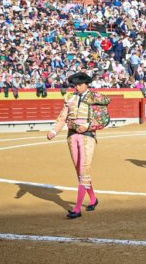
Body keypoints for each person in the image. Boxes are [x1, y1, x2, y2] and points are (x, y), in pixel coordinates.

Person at [46, 71, 111, 219]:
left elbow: (104, 117)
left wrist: (88, 125)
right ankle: (93, 198)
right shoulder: (70, 97)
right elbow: (63, 117)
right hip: (72, 135)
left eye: (80, 85)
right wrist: (54, 131)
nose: (77, 87)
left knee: (84, 169)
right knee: (79, 171)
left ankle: (77, 209)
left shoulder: (95, 97)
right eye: (75, 85)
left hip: (87, 136)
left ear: (87, 84)